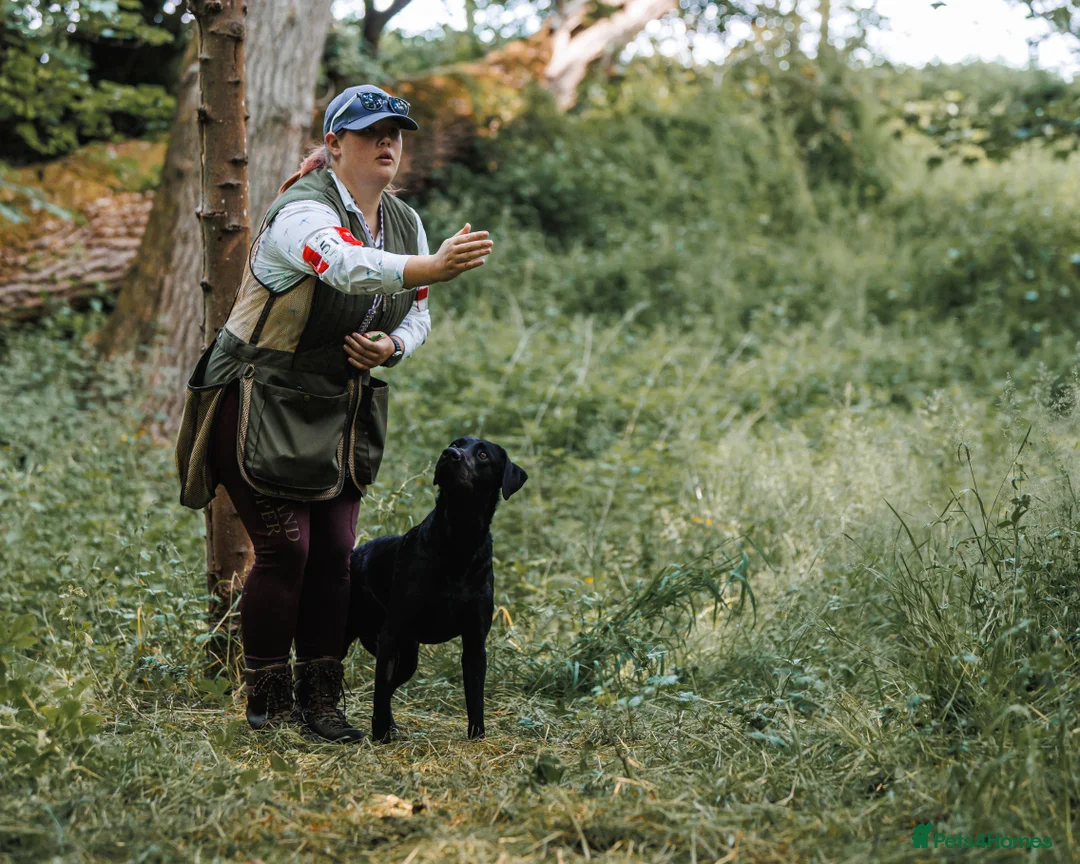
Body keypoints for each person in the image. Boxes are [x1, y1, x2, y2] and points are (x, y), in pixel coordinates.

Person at [173, 84, 494, 743]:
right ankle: (265, 706)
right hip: (258, 396)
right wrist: (427, 265)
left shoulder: (403, 222)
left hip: (340, 409)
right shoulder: (301, 214)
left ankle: (321, 705)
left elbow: (419, 309)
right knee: (289, 549)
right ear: (334, 143)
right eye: (371, 131)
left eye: (396, 132)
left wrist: (393, 344)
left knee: (336, 555)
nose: (387, 143)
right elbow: (345, 267)